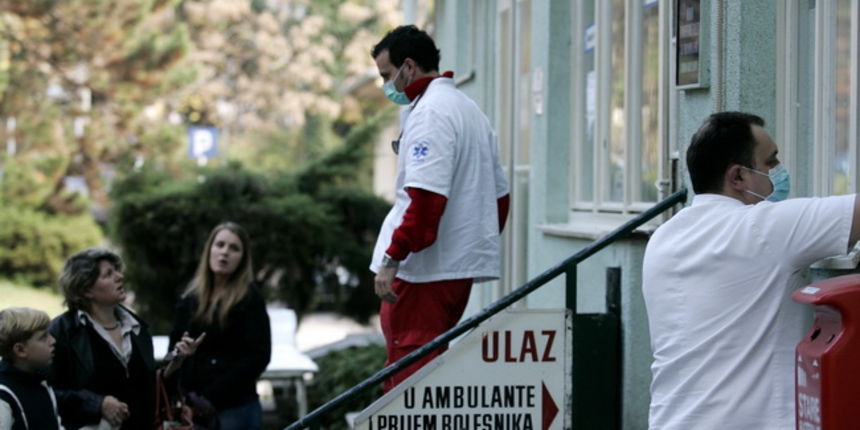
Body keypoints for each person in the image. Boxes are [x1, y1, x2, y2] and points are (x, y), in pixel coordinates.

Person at [642, 111, 860, 429]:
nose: (780, 173)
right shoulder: (762, 228)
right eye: (771, 162)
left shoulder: (664, 238)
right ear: (739, 178)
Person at [369, 25, 510, 391]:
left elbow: (426, 201)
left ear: (409, 67)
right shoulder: (469, 109)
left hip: (422, 273)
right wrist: (468, 245)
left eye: (387, 75)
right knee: (432, 379)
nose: (387, 85)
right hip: (452, 271)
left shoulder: (431, 114)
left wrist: (392, 258)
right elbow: (500, 199)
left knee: (409, 386)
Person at [168, 222, 271, 430]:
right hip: (192, 411)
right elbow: (173, 350)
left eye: (234, 248)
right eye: (220, 244)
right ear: (209, 250)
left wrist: (210, 398)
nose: (225, 252)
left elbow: (258, 356)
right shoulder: (189, 298)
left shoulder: (250, 299)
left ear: (242, 259)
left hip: (236, 409)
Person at [49, 248, 158, 430]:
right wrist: (97, 404)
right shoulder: (62, 332)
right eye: (108, 274)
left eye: (117, 270)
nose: (120, 277)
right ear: (86, 290)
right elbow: (48, 392)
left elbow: (147, 388)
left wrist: (174, 365)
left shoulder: (138, 327)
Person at [0, 307, 64, 430]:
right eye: (44, 337)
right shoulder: (4, 395)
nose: (53, 341)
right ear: (20, 350)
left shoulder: (40, 381)